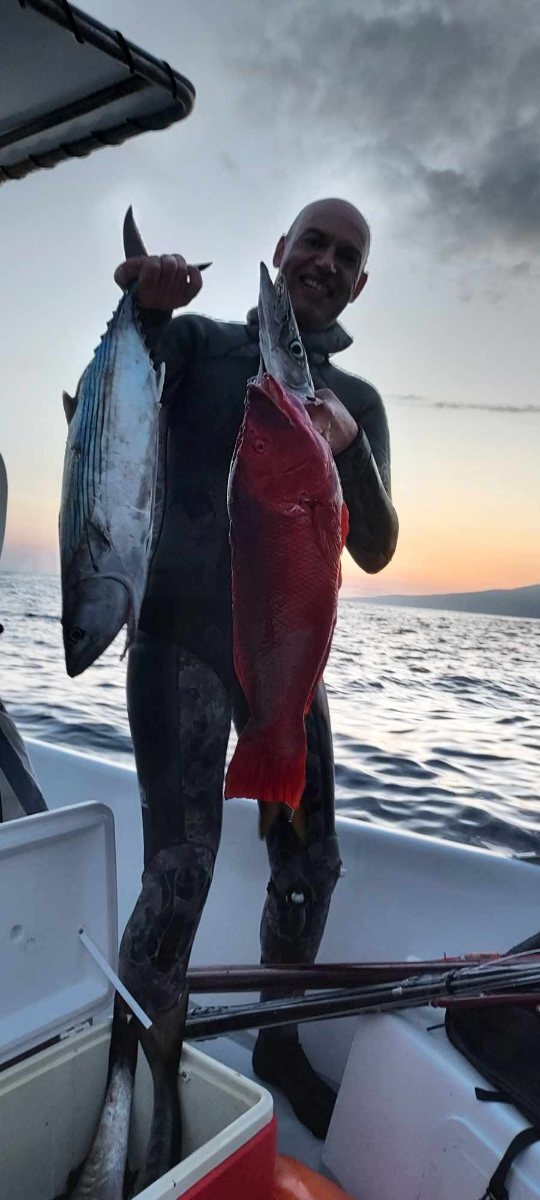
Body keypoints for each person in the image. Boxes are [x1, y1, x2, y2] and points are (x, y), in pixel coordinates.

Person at [115, 198, 399, 1139]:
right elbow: (122, 396)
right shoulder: (197, 344)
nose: (324, 260)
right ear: (279, 252)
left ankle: (275, 1041)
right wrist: (148, 309)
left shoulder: (357, 404)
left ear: (360, 284)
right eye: (312, 241)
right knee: (179, 875)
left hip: (283, 665)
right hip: (181, 641)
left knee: (309, 867)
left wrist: (350, 458)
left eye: (345, 255)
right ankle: (143, 1081)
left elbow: (380, 550)